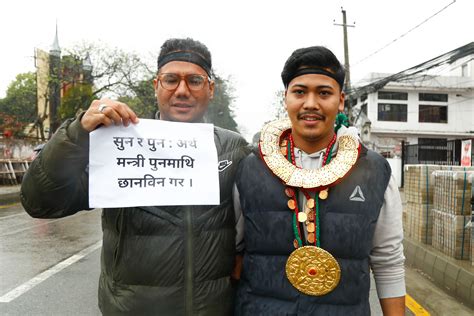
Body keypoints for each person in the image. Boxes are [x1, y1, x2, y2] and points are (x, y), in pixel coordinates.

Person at [21, 38, 250, 315]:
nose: (182, 91)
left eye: (194, 81)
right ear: (156, 86)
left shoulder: (233, 148)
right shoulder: (117, 142)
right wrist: (77, 133)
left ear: (210, 88)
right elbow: (41, 202)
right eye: (171, 80)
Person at [233, 46, 405, 315]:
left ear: (340, 101)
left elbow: (388, 260)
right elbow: (230, 254)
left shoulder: (375, 170)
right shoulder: (250, 168)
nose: (311, 103)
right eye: (299, 92)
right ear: (286, 98)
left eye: (324, 93)